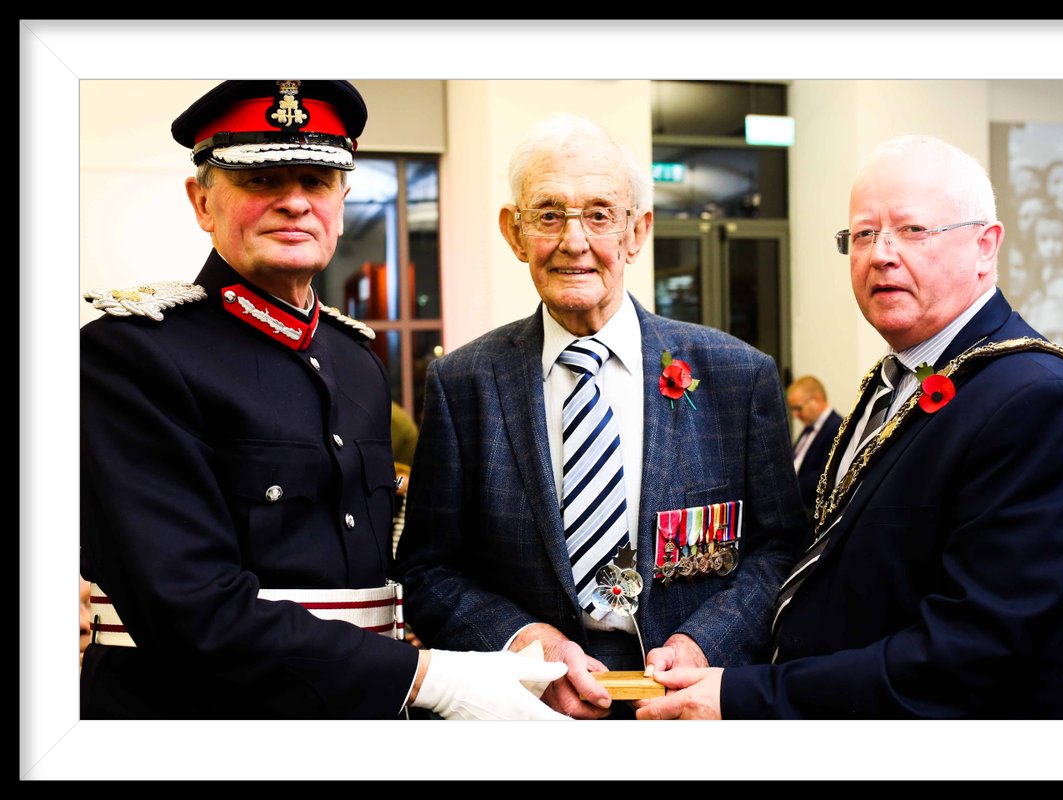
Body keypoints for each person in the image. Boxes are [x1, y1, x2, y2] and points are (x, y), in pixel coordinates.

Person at [79, 80, 569, 720]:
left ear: (341, 199)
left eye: (316, 180)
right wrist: (434, 680)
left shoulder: (354, 359)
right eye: (261, 181)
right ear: (202, 201)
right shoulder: (130, 355)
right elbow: (191, 606)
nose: (294, 203)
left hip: (362, 711)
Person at [637, 134, 1063, 719]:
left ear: (985, 246)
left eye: (912, 230)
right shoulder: (894, 380)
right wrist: (710, 647)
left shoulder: (1037, 399)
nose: (881, 254)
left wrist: (747, 697)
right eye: (863, 234)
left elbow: (976, 655)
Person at [392, 114, 804, 719]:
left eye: (600, 214)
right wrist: (527, 645)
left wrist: (704, 642)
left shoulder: (735, 378)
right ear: (514, 232)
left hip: (689, 714)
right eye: (549, 214)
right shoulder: (464, 384)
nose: (574, 241)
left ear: (638, 232)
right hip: (528, 714)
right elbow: (428, 569)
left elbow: (780, 549)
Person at [785, 375, 842, 517]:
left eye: (798, 408)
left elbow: (824, 477)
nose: (795, 415)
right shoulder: (809, 428)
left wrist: (786, 489)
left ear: (816, 400)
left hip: (812, 511)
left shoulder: (836, 427)